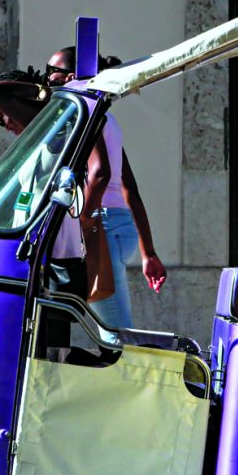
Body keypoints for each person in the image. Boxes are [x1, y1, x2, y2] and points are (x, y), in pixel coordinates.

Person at [44, 46, 167, 330]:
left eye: (52, 71)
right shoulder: (106, 116)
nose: (46, 77)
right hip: (121, 225)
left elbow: (100, 174)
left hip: (103, 226)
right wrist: (148, 252)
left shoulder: (82, 107)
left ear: (71, 77)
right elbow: (129, 187)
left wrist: (82, 224)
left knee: (114, 332)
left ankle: (135, 373)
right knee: (108, 325)